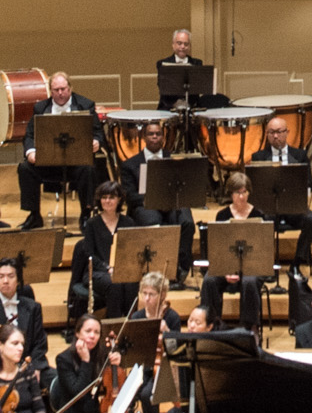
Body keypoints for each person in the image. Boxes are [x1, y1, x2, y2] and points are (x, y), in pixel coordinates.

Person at [19, 73, 98, 228]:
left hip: (76, 163)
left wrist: (96, 142)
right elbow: (29, 135)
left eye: (63, 89)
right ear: (51, 91)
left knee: (89, 169)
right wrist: (30, 152)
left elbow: (97, 132)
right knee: (25, 168)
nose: (60, 93)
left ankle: (86, 215)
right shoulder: (40, 108)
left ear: (70, 88)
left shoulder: (85, 105)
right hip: (48, 163)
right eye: (56, 90)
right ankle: (34, 215)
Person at [121, 120, 196, 282]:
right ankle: (158, 268)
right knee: (153, 221)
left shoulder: (175, 159)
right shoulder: (130, 164)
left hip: (172, 202)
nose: (154, 137)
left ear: (163, 137)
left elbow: (185, 186)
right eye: (151, 134)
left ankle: (181, 268)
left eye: (158, 134)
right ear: (144, 137)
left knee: (187, 221)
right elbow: (130, 196)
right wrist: (154, 198)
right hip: (145, 204)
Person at [199, 172, 269, 333]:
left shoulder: (258, 215)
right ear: (231, 193)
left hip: (253, 266)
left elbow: (262, 250)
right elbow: (218, 249)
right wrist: (225, 270)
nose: (241, 196)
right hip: (226, 266)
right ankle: (212, 325)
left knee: (249, 282)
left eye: (244, 192)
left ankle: (249, 328)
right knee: (209, 280)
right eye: (238, 192)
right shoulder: (222, 215)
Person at [249, 116, 312, 268]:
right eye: (272, 132)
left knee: (311, 220)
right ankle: (268, 264)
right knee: (262, 221)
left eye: (279, 132)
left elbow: (309, 184)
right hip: (269, 208)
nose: (275, 136)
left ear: (287, 133)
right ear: (266, 134)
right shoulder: (258, 157)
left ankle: (297, 263)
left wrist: (302, 199)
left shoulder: (300, 155)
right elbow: (254, 187)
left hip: (294, 206)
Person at [51, 314, 119, 413]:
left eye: (96, 332)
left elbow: (113, 382)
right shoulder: (64, 360)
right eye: (88, 331)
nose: (92, 336)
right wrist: (86, 362)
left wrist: (117, 363)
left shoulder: (102, 356)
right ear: (77, 333)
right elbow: (79, 393)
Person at [73, 180, 132, 318]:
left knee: (132, 283)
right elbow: (89, 254)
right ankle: (114, 326)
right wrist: (107, 268)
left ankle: (129, 322)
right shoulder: (92, 224)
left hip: (121, 270)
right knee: (114, 284)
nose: (107, 201)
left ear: (119, 200)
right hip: (96, 272)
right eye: (104, 197)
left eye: (112, 197)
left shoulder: (128, 222)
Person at [0, 257, 47, 348]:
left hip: (27, 360)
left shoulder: (33, 307)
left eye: (11, 276)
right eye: (1, 277)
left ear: (18, 280)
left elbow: (40, 344)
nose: (5, 281)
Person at [156, 27, 203, 109]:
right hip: (168, 107)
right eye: (179, 43)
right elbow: (162, 86)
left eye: (186, 44)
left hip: (192, 107)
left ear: (189, 46)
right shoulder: (162, 64)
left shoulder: (197, 63)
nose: (183, 46)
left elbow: (198, 88)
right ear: (173, 45)